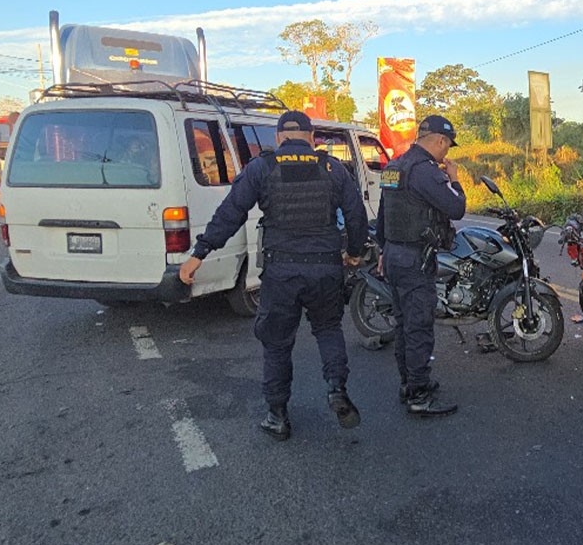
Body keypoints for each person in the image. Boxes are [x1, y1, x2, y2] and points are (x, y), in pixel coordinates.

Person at [178, 110, 368, 441]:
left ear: (279, 137)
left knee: (277, 343)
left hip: (282, 271)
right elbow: (356, 216)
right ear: (311, 137)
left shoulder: (263, 167)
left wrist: (199, 253)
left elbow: (230, 213)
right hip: (325, 267)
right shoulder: (332, 168)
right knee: (327, 329)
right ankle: (336, 388)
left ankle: (277, 416)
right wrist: (353, 253)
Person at [376, 114, 467, 417]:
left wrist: (382, 249)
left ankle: (408, 383)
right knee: (418, 327)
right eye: (448, 147)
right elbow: (456, 208)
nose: (447, 153)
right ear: (440, 140)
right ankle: (419, 395)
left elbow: (383, 213)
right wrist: (454, 179)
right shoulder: (426, 171)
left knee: (404, 324)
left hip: (393, 255)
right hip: (415, 259)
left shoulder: (394, 166)